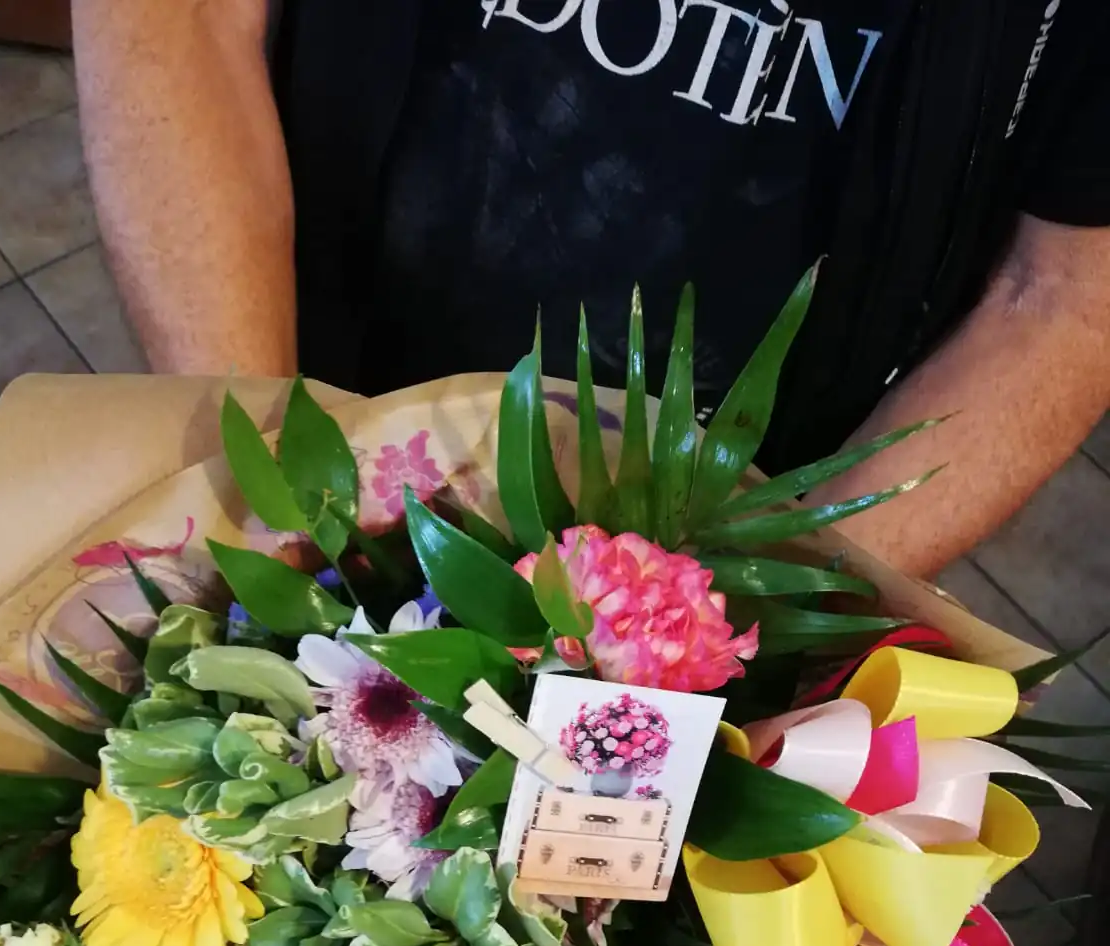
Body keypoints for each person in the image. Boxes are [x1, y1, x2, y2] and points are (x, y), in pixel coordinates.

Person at [72, 1, 1110, 577]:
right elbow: (179, 20)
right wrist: (261, 455)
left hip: (762, 501)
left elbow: (1064, 296)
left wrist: (769, 619)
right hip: (315, 365)